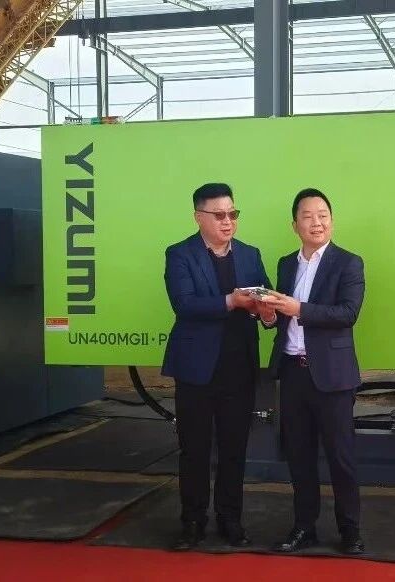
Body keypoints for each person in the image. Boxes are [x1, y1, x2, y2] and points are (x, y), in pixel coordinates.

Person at [160, 182, 275, 551]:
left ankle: (231, 520)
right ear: (199, 217)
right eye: (219, 215)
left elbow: (267, 298)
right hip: (196, 369)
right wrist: (231, 301)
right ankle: (192, 522)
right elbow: (184, 304)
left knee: (234, 449)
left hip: (239, 368)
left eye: (233, 214)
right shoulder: (180, 254)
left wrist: (267, 314)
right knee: (194, 449)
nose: (228, 222)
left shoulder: (250, 254)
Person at [257, 188, 366, 556]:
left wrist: (298, 308)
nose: (316, 222)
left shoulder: (348, 263)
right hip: (292, 372)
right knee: (299, 455)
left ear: (331, 221)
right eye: (308, 216)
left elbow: (347, 313)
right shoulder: (286, 264)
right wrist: (269, 315)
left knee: (341, 457)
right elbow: (280, 319)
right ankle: (304, 527)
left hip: (332, 376)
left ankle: (350, 529)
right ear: (295, 225)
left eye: (323, 215)